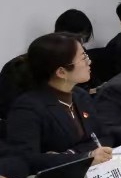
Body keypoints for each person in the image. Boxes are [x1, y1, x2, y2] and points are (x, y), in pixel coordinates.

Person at [4, 33, 112, 170]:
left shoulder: (80, 95)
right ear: (61, 72)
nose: (89, 62)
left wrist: (72, 153)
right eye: (83, 58)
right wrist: (85, 157)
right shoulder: (28, 107)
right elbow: (26, 159)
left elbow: (104, 137)